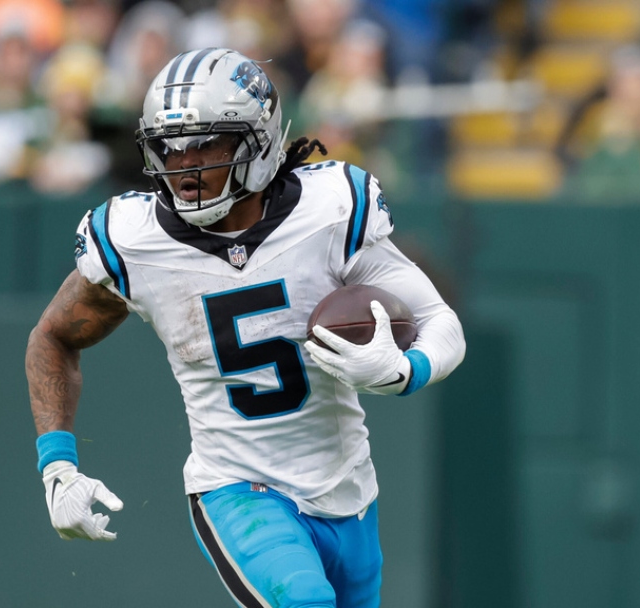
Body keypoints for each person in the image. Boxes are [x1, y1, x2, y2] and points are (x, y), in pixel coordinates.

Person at [25, 48, 466, 607]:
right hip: (235, 488)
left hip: (349, 488)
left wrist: (406, 369)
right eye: (169, 148)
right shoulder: (133, 240)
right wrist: (57, 465)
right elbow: (53, 336)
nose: (184, 167)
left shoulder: (328, 213)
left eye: (205, 145)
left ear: (258, 141)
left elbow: (438, 321)